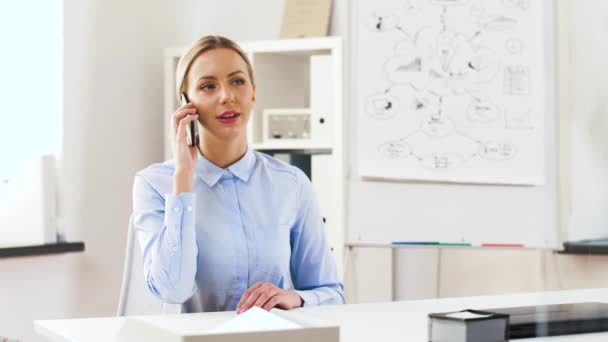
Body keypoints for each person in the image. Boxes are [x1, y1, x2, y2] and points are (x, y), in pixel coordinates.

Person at [132, 35, 344, 313]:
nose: (227, 96)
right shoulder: (154, 185)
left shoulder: (290, 184)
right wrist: (183, 178)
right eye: (208, 86)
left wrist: (296, 298)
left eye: (237, 81)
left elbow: (331, 294)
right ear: (186, 103)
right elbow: (173, 290)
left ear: (253, 93)